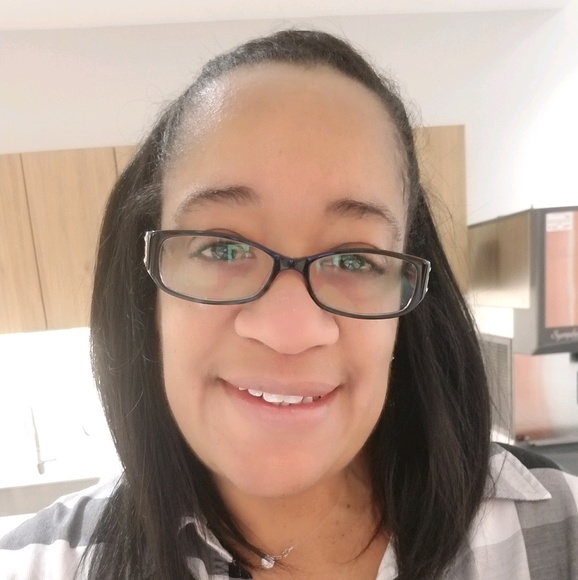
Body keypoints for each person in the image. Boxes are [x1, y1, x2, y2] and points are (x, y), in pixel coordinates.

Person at [1, 29, 577, 580]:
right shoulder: (40, 564)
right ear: (145, 290)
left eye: (353, 259)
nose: (289, 330)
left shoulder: (559, 525)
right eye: (223, 247)